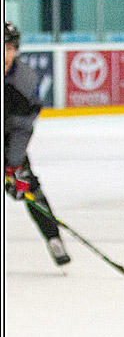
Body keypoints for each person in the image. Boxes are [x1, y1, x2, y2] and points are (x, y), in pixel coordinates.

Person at [4, 21, 70, 266]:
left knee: (27, 185)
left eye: (9, 47)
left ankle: (54, 238)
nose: (5, 53)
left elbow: (22, 128)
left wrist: (13, 165)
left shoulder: (25, 80)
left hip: (9, 141)